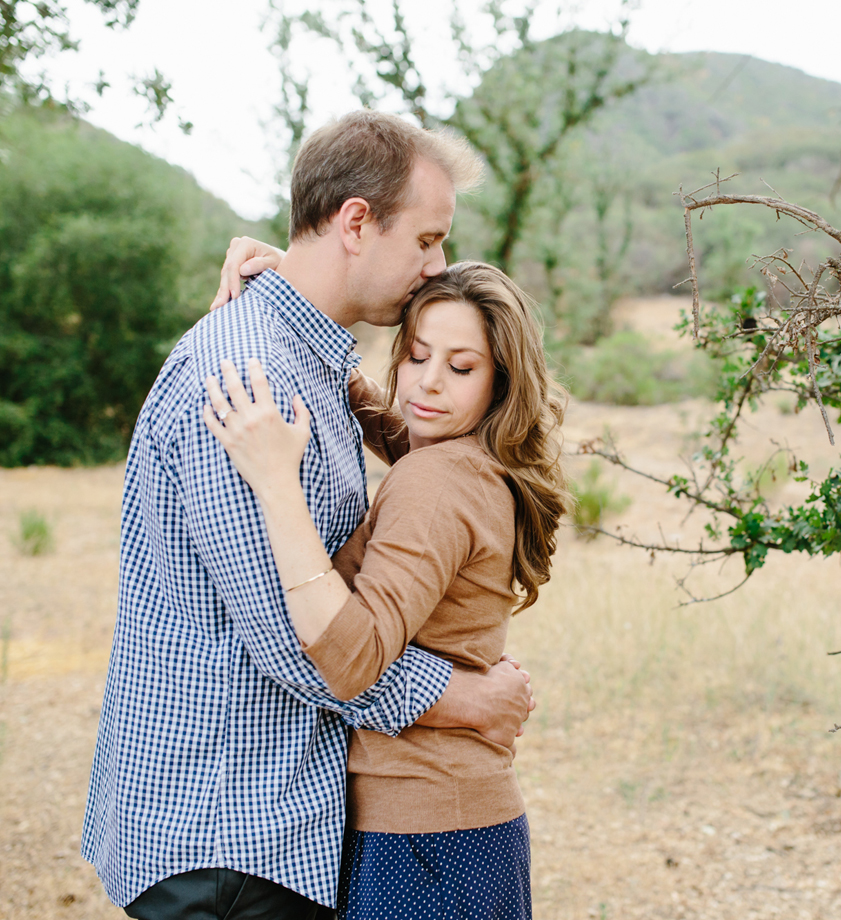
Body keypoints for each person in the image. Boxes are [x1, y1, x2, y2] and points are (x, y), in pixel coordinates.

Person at [82, 109, 536, 920]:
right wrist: (461, 699)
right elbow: (301, 644)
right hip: (229, 833)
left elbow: (435, 475)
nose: (436, 269)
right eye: (427, 241)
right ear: (357, 222)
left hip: (273, 827)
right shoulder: (245, 378)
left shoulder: (308, 359)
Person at [202, 261, 565, 919]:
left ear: (499, 384)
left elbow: (350, 656)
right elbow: (400, 421)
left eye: (461, 367)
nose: (428, 382)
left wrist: (277, 482)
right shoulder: (471, 464)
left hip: (425, 837)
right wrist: (293, 278)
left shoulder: (432, 482)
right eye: (418, 355)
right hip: (456, 825)